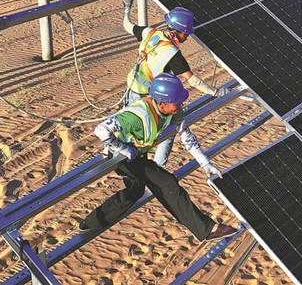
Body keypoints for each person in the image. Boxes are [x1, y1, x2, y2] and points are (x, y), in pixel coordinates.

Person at [80, 72, 237, 242]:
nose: (181, 103)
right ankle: (207, 229)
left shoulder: (173, 111)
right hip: (119, 156)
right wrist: (122, 147)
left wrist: (205, 163)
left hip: (137, 153)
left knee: (136, 190)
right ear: (161, 103)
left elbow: (186, 136)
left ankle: (90, 223)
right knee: (166, 182)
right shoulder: (137, 116)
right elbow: (100, 130)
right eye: (177, 101)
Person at [121, 0, 229, 167]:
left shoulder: (150, 32)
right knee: (164, 132)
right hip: (149, 97)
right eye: (186, 33)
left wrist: (127, 8)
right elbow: (192, 80)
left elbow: (127, 25)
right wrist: (215, 92)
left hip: (130, 89)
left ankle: (137, 166)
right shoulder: (172, 53)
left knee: (132, 131)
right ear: (177, 31)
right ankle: (157, 167)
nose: (187, 36)